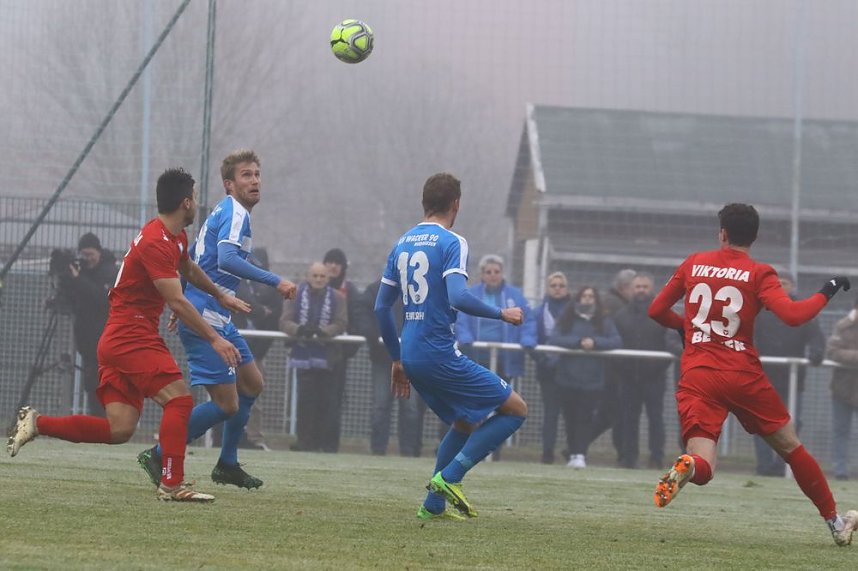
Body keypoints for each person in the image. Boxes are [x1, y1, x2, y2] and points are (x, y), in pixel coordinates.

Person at [7, 167, 249, 502]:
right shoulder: (155, 241)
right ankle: (172, 484)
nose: (196, 205)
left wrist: (219, 294)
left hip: (120, 335)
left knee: (118, 429)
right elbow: (177, 301)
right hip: (130, 335)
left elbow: (188, 269)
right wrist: (215, 338)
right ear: (186, 202)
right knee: (179, 401)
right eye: (194, 199)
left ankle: (36, 423)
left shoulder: (174, 236)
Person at [648, 202, 857, 546]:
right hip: (742, 374)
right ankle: (834, 522)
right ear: (755, 237)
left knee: (704, 462)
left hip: (698, 373)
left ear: (722, 233)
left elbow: (656, 310)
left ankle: (690, 465)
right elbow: (793, 316)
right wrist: (828, 289)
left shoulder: (694, 262)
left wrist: (687, 328)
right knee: (790, 447)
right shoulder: (759, 273)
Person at [137, 150, 296, 490]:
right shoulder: (235, 212)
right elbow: (226, 259)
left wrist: (183, 297)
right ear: (229, 184)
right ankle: (160, 453)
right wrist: (276, 281)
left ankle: (227, 463)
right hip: (207, 317)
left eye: (257, 174)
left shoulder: (225, 211)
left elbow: (193, 258)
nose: (254, 180)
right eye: (246, 175)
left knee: (252, 383)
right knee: (226, 404)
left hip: (216, 313)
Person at [374, 172, 527, 521]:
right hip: (437, 351)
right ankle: (451, 477)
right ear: (456, 204)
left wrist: (397, 359)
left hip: (411, 352)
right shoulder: (452, 242)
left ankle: (433, 505)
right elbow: (458, 296)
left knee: (464, 420)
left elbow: (381, 308)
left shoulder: (402, 243)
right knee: (516, 409)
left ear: (424, 202)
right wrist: (501, 313)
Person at [454, 254, 536, 459]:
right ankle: (465, 450)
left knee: (503, 406)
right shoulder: (471, 294)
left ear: (502, 273)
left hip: (504, 359)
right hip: (476, 359)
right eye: (488, 272)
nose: (493, 275)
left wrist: (527, 339)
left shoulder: (515, 295)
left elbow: (528, 320)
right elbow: (461, 318)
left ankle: (492, 450)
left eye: (496, 272)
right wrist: (465, 338)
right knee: (472, 405)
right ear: (482, 274)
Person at [752, 271, 825, 476]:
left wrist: (817, 352)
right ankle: (764, 466)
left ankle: (781, 464)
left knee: (793, 423)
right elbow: (748, 334)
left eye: (784, 283)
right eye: (776, 283)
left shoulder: (802, 310)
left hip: (793, 379)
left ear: (792, 286)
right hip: (763, 377)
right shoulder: (759, 310)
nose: (780, 286)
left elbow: (816, 337)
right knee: (760, 423)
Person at [547, 286, 622, 469]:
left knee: (585, 418)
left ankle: (580, 454)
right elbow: (555, 338)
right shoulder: (567, 319)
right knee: (569, 417)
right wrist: (577, 343)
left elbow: (615, 341)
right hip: (567, 377)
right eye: (584, 296)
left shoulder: (604, 321)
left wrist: (595, 343)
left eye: (591, 296)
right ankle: (573, 452)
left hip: (592, 380)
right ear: (578, 299)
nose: (587, 299)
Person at [613, 271, 681, 469]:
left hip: (655, 377)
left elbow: (670, 342)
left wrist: (658, 366)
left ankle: (656, 457)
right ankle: (629, 458)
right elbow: (616, 343)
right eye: (638, 287)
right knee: (629, 419)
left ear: (652, 289)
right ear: (631, 289)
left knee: (655, 419)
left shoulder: (662, 314)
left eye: (645, 287)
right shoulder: (621, 316)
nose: (641, 290)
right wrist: (623, 367)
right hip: (628, 377)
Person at [280, 262, 348, 452]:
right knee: (305, 401)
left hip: (329, 357)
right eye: (315, 276)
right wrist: (300, 330)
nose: (318, 279)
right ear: (308, 277)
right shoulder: (294, 294)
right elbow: (285, 321)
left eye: (322, 276)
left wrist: (323, 332)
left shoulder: (338, 297)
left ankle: (322, 443)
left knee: (326, 402)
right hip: (303, 356)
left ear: (328, 278)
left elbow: (341, 322)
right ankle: (304, 441)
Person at [59, 232, 118, 416]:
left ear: (99, 252)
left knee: (103, 387)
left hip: (105, 341)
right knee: (92, 387)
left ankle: (105, 423)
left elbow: (102, 298)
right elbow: (74, 299)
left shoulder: (110, 272)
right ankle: (97, 423)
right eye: (84, 254)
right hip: (87, 343)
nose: (88, 259)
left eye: (91, 254)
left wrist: (78, 280)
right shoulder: (82, 271)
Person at [364, 278, 424, 457]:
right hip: (383, 357)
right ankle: (378, 450)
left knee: (410, 408)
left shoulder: (420, 289)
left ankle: (407, 451)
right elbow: (364, 314)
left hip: (411, 358)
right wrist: (374, 334)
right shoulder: (375, 289)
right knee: (380, 406)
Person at [231, 248, 283, 451]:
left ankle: (254, 438)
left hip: (256, 352)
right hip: (232, 349)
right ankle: (227, 436)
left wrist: (259, 352)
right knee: (228, 393)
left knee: (254, 396)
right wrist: (260, 311)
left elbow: (273, 320)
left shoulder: (271, 289)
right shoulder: (236, 282)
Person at [589, 268, 636, 458]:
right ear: (624, 287)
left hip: (614, 369)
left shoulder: (613, 303)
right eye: (634, 287)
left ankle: (578, 445)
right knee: (612, 414)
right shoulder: (616, 306)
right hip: (612, 370)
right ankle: (578, 445)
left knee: (613, 414)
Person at [321, 248, 364, 453]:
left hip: (338, 356)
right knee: (313, 398)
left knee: (334, 400)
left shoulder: (351, 292)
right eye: (329, 262)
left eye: (337, 263)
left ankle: (330, 444)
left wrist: (348, 350)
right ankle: (309, 441)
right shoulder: (315, 285)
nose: (333, 266)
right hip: (313, 352)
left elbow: (357, 321)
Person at [530, 271, 572, 464]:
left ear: (567, 289)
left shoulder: (575, 311)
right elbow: (531, 338)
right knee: (550, 413)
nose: (557, 289)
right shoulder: (539, 312)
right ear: (547, 288)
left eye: (561, 285)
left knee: (572, 413)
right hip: (547, 370)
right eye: (553, 285)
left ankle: (573, 451)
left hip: (571, 370)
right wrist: (542, 360)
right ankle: (547, 453)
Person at [826, 295, 858, 481]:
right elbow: (832, 351)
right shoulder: (842, 326)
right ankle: (840, 470)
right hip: (842, 387)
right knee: (841, 430)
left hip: (844, 385)